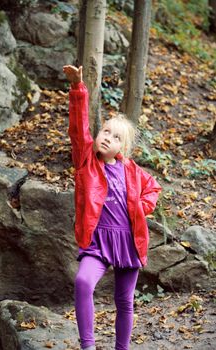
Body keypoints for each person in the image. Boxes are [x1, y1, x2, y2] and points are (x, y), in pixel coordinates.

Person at [63, 65, 162, 350]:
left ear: (122, 148)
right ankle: (88, 346)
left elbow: (153, 187)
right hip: (97, 240)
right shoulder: (86, 161)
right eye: (105, 130)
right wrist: (77, 89)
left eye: (115, 137)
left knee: (125, 301)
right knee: (83, 282)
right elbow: (78, 128)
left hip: (128, 241)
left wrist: (143, 207)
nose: (107, 137)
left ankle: (122, 348)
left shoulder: (130, 170)